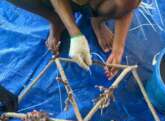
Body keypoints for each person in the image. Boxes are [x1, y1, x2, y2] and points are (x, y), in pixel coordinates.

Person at [7, 0, 141, 79]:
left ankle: (97, 20)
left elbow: (128, 4)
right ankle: (56, 19)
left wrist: (118, 50)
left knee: (121, 3)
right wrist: (74, 32)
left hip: (96, 5)